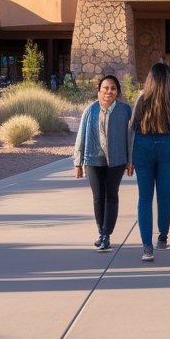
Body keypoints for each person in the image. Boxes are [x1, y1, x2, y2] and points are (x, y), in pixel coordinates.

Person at [131, 62, 170, 262]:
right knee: (164, 197)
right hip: (169, 147)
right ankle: (163, 238)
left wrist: (128, 157)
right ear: (167, 80)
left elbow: (132, 128)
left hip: (142, 147)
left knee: (144, 198)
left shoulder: (142, 99)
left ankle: (147, 247)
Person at [74, 74, 134, 252]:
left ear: (118, 92)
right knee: (98, 197)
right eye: (105, 88)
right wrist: (78, 162)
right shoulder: (90, 110)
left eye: (113, 88)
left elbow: (131, 138)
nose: (109, 92)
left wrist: (131, 161)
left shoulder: (125, 110)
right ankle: (101, 232)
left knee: (111, 195)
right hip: (93, 159)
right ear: (99, 91)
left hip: (116, 160)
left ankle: (106, 234)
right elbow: (81, 136)